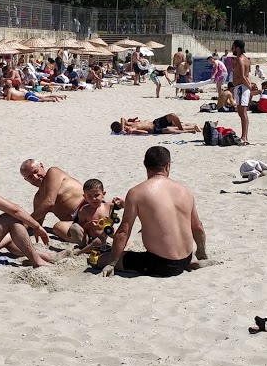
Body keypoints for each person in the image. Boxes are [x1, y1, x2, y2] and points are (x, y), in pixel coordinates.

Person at [98, 146, 207, 277]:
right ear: (167, 166)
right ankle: (193, 263)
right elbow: (198, 227)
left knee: (102, 258)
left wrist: (112, 263)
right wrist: (201, 251)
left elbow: (123, 232)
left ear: (145, 165)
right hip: (186, 259)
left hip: (160, 264)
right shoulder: (185, 191)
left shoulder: (136, 193)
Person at [74, 178, 118, 253]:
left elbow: (124, 205)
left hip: (104, 235)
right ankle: (83, 249)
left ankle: (122, 244)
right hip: (90, 238)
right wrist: (89, 225)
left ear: (103, 194)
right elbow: (81, 226)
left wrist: (119, 201)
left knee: (114, 229)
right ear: (85, 197)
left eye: (97, 195)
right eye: (89, 196)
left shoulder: (107, 206)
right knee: (74, 227)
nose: (94, 199)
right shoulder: (84, 210)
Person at [229, 39, 252, 141]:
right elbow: (247, 74)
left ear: (237, 48)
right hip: (241, 87)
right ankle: (244, 136)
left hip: (241, 87)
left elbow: (243, 76)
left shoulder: (240, 59)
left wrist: (250, 88)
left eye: (233, 47)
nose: (232, 49)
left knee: (243, 113)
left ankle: (244, 137)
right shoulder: (246, 59)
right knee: (241, 113)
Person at [112, 113, 201, 135]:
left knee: (172, 116)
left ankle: (196, 127)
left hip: (156, 122)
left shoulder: (128, 123)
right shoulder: (132, 130)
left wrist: (124, 128)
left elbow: (122, 118)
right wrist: (134, 130)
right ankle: (192, 128)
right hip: (155, 129)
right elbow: (146, 133)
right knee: (171, 129)